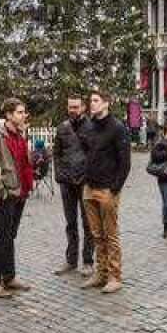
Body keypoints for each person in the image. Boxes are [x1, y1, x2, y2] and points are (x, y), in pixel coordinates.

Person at [78, 90, 131, 294]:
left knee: (111, 234)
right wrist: (85, 180)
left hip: (107, 189)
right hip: (89, 188)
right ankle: (100, 273)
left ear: (106, 103)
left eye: (95, 100)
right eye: (90, 100)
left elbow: (125, 163)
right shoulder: (90, 126)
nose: (91, 104)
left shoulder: (117, 128)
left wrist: (114, 188)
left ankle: (114, 276)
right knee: (96, 235)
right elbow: (87, 154)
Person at [0, 98, 35, 298]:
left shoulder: (20, 134)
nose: (23, 116)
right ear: (8, 115)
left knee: (10, 236)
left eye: (24, 112)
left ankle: (9, 276)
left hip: (20, 191)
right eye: (19, 112)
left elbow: (23, 162)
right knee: (3, 236)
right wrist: (1, 190)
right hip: (7, 193)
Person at [52, 96, 94, 276]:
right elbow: (57, 153)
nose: (73, 110)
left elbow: (95, 155)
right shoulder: (62, 128)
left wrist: (90, 177)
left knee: (88, 223)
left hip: (85, 181)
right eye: (70, 107)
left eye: (76, 107)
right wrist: (60, 175)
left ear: (83, 107)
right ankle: (71, 260)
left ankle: (88, 261)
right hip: (67, 182)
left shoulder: (92, 127)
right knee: (70, 223)